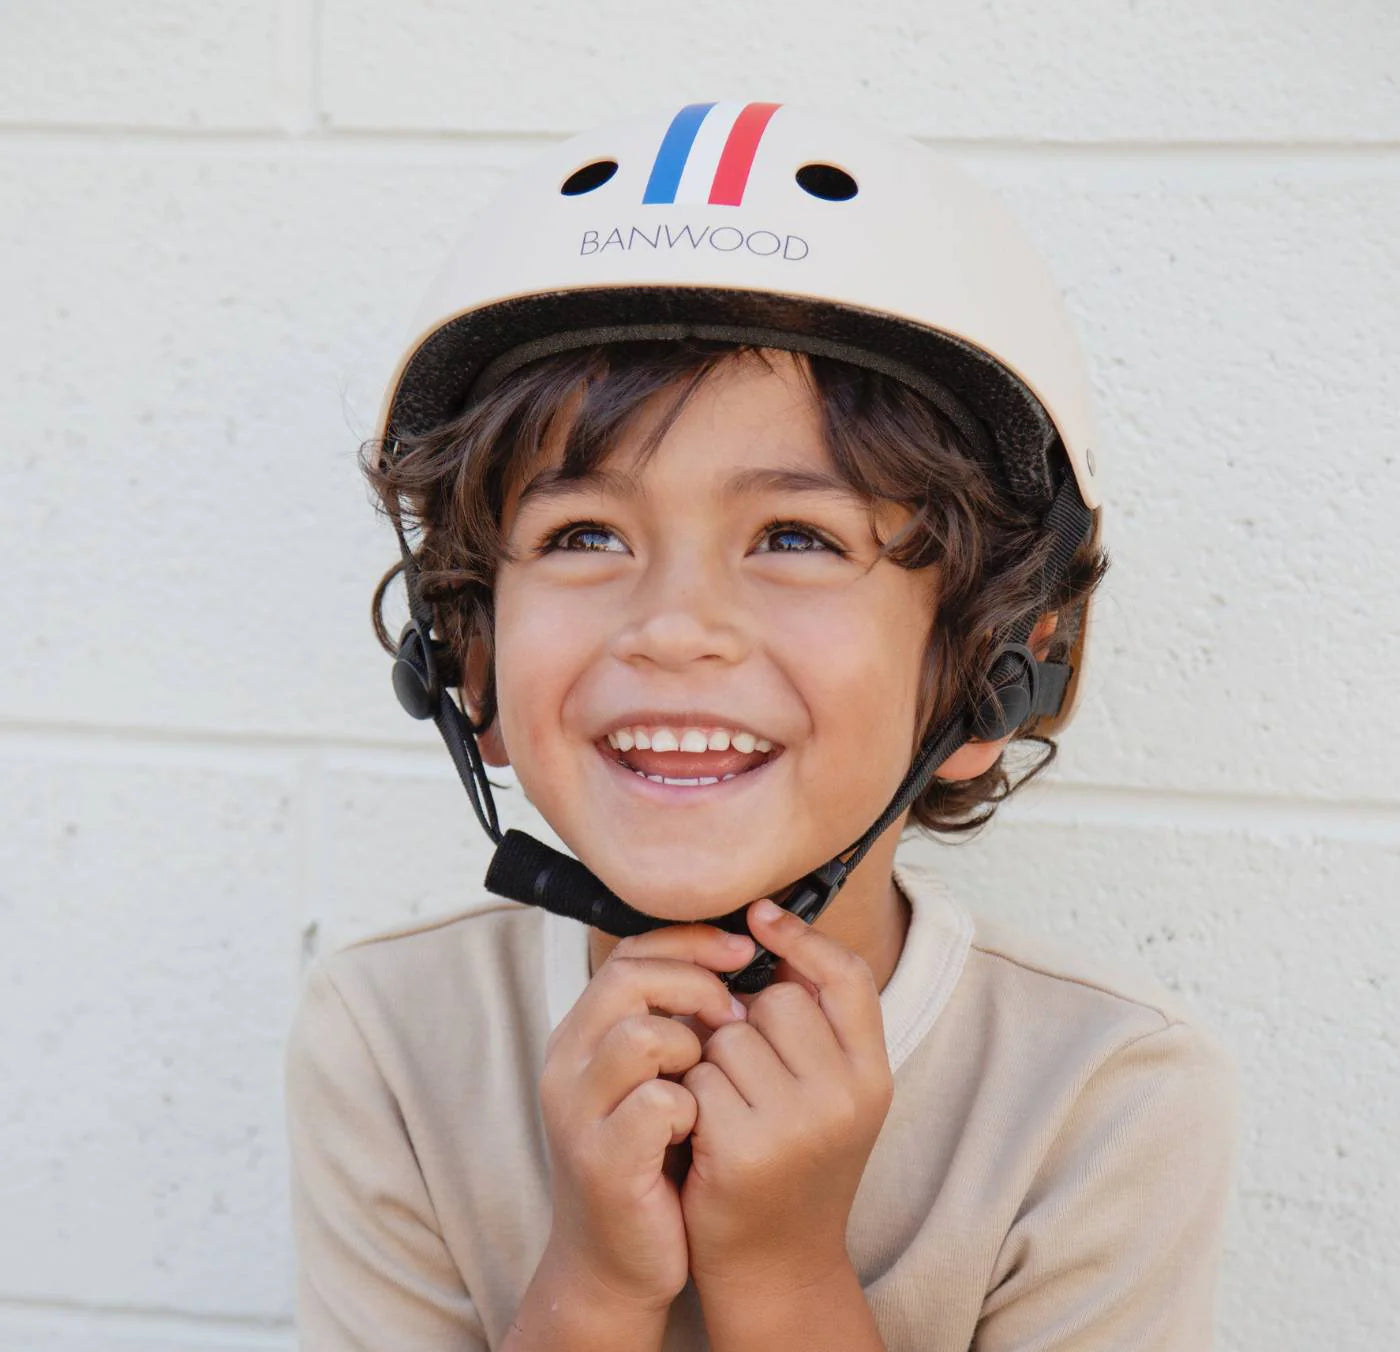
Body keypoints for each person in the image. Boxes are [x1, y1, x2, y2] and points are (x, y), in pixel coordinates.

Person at [282, 100, 1238, 1351]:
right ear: (466, 653)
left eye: (795, 536)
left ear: (989, 671)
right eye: (583, 533)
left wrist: (781, 1273)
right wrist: (593, 1280)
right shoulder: (389, 1037)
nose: (673, 628)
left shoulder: (1103, 1093)